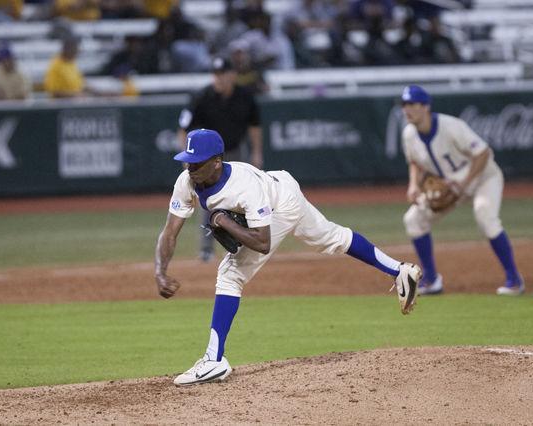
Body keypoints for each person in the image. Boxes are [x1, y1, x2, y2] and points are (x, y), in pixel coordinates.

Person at [154, 128, 423, 386]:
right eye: (187, 162)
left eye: (196, 164)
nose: (190, 169)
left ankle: (213, 359)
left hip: (281, 204)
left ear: (216, 162)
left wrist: (224, 221)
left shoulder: (243, 187)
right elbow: (170, 232)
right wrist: (160, 271)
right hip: (280, 183)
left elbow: (262, 242)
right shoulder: (187, 181)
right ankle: (400, 271)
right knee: (333, 237)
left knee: (230, 273)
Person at [399, 85, 524, 296]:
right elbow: (415, 162)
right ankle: (431, 280)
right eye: (404, 104)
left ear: (426, 106)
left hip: (484, 177)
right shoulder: (409, 134)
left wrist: (465, 184)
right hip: (451, 185)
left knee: (485, 214)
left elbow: (483, 153)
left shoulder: (451, 126)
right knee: (413, 220)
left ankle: (514, 279)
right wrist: (413, 185)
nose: (407, 109)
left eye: (412, 104)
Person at [177, 56, 263, 262]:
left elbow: (255, 125)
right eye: (215, 74)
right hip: (208, 159)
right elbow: (183, 128)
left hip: (236, 153)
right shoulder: (201, 97)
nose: (219, 78)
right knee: (210, 201)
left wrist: (257, 152)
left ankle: (245, 245)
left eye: (222, 74)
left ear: (232, 75)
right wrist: (187, 160)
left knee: (243, 200)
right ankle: (206, 249)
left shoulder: (245, 96)